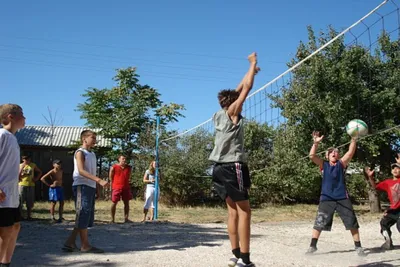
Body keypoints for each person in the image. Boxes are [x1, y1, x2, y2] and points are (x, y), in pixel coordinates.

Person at [208, 52, 260, 267]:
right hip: (232, 165)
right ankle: (245, 261)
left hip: (218, 168)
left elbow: (239, 88)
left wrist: (250, 72)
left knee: (232, 211)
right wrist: (253, 63)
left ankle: (236, 254)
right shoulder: (232, 112)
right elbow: (245, 89)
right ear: (232, 103)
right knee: (245, 211)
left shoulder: (218, 114)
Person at [306, 131, 366, 256]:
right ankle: (313, 246)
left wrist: (354, 139)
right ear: (327, 156)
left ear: (338, 155)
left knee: (351, 222)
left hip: (342, 197)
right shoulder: (324, 164)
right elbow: (312, 156)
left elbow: (350, 153)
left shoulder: (341, 164)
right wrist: (315, 143)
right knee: (319, 222)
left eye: (336, 152)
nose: (334, 153)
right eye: (331, 152)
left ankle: (358, 247)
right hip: (326, 198)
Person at [63, 130, 108, 253]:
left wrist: (96, 188)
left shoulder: (92, 154)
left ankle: (70, 242)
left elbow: (92, 172)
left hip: (90, 187)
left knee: (86, 216)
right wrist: (99, 180)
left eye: (95, 138)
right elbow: (81, 171)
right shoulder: (80, 152)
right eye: (92, 137)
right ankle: (85, 245)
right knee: (82, 213)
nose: (94, 140)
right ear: (84, 139)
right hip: (81, 185)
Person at [0, 104, 26, 267]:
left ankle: (6, 263)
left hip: (12, 194)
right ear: (10, 116)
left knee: (15, 227)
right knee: (5, 230)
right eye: (22, 114)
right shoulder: (2, 135)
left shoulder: (13, 138)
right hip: (2, 194)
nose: (25, 118)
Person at [364, 155, 400, 250]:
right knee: (384, 223)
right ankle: (388, 242)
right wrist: (371, 177)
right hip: (393, 210)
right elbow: (375, 186)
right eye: (393, 168)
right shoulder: (388, 182)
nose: (395, 170)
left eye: (398, 168)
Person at [109, 155, 132, 223]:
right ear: (119, 159)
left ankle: (126, 218)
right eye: (123, 159)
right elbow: (111, 176)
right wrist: (112, 184)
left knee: (126, 203)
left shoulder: (128, 167)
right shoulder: (114, 167)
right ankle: (112, 219)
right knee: (114, 202)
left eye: (125, 159)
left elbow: (129, 176)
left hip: (126, 187)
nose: (124, 160)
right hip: (116, 187)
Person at [19, 155, 42, 220]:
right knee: (21, 200)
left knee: (30, 201)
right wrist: (22, 169)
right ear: (23, 160)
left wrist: (36, 178)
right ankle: (20, 215)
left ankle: (29, 216)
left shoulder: (33, 165)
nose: (26, 160)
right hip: (22, 184)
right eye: (25, 159)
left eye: (27, 159)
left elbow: (40, 172)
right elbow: (17, 175)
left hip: (31, 184)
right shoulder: (20, 165)